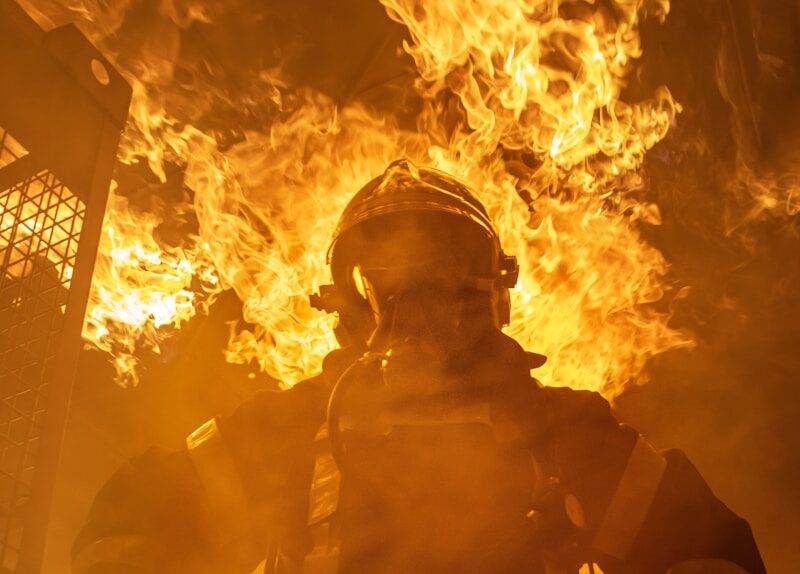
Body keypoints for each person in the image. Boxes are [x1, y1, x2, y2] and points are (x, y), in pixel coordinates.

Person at [72, 160, 766, 574]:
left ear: (487, 291)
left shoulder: (566, 433)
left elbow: (708, 551)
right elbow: (132, 522)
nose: (412, 306)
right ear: (345, 299)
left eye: (440, 278)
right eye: (386, 283)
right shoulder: (288, 430)